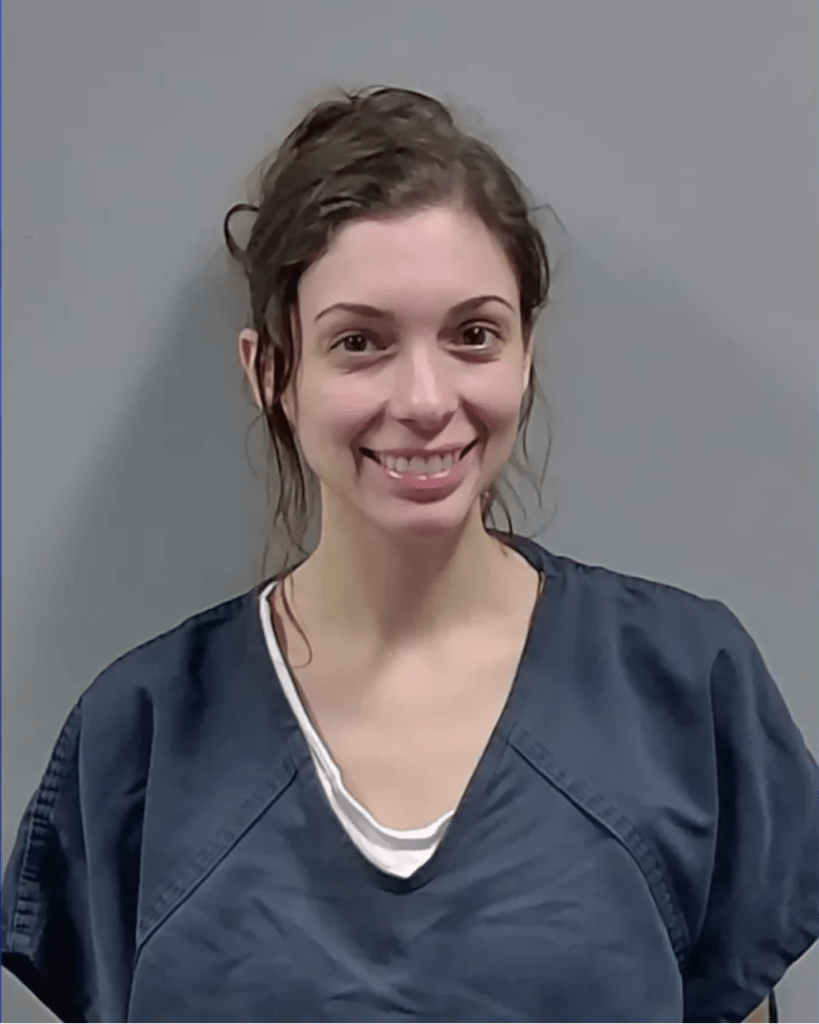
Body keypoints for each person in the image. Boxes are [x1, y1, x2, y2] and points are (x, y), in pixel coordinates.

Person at [2, 84, 816, 1024]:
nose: (426, 398)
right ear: (270, 372)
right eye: (360, 342)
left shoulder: (681, 688)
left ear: (525, 356)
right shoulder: (138, 740)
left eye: (473, 335)